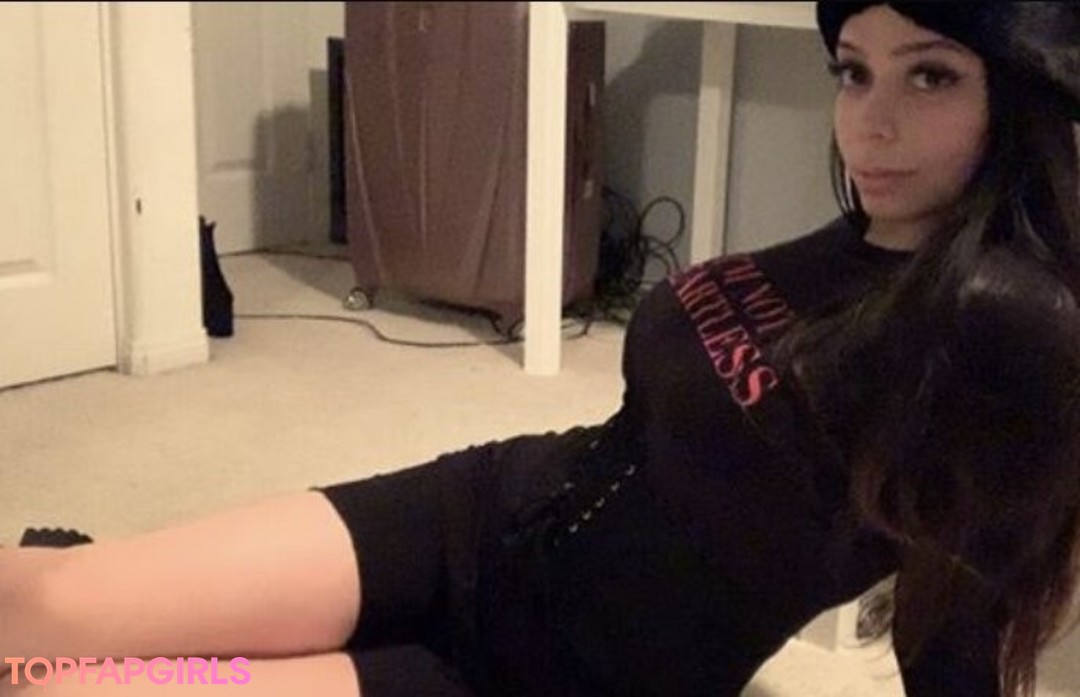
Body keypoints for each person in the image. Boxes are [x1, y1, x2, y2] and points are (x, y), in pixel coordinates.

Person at [4, 3, 1080, 696]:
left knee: (66, 685)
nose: (870, 124)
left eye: (930, 77)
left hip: (559, 673)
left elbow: (961, 612)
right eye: (853, 71)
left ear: (1016, 90)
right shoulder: (873, 233)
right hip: (486, 509)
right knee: (36, 604)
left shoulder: (1007, 319)